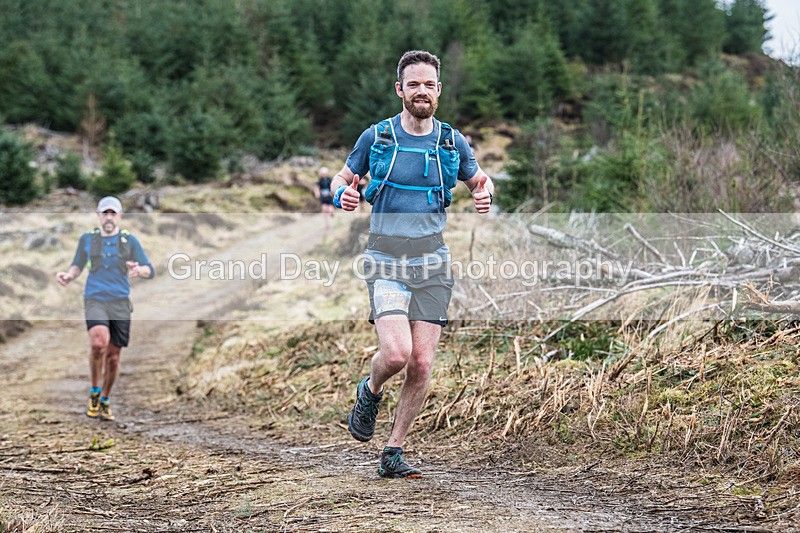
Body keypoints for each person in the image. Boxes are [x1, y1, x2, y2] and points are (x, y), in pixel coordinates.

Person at [331, 50, 493, 478]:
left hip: (433, 262)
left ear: (439, 90)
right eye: (413, 84)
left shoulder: (450, 141)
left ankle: (393, 452)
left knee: (422, 362)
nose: (421, 91)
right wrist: (340, 194)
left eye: (429, 84)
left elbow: (479, 178)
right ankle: (370, 390)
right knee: (398, 354)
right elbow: (341, 177)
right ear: (400, 90)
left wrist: (484, 192)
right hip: (385, 258)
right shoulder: (378, 137)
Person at [56, 196, 154, 421]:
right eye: (105, 213)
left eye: (113, 213)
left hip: (119, 301)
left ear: (120, 216)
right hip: (95, 299)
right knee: (98, 343)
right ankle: (94, 391)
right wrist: (68, 276)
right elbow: (78, 264)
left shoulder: (129, 241)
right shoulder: (88, 239)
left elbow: (150, 269)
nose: (109, 217)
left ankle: (106, 399)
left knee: (113, 358)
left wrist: (140, 271)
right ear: (98, 215)